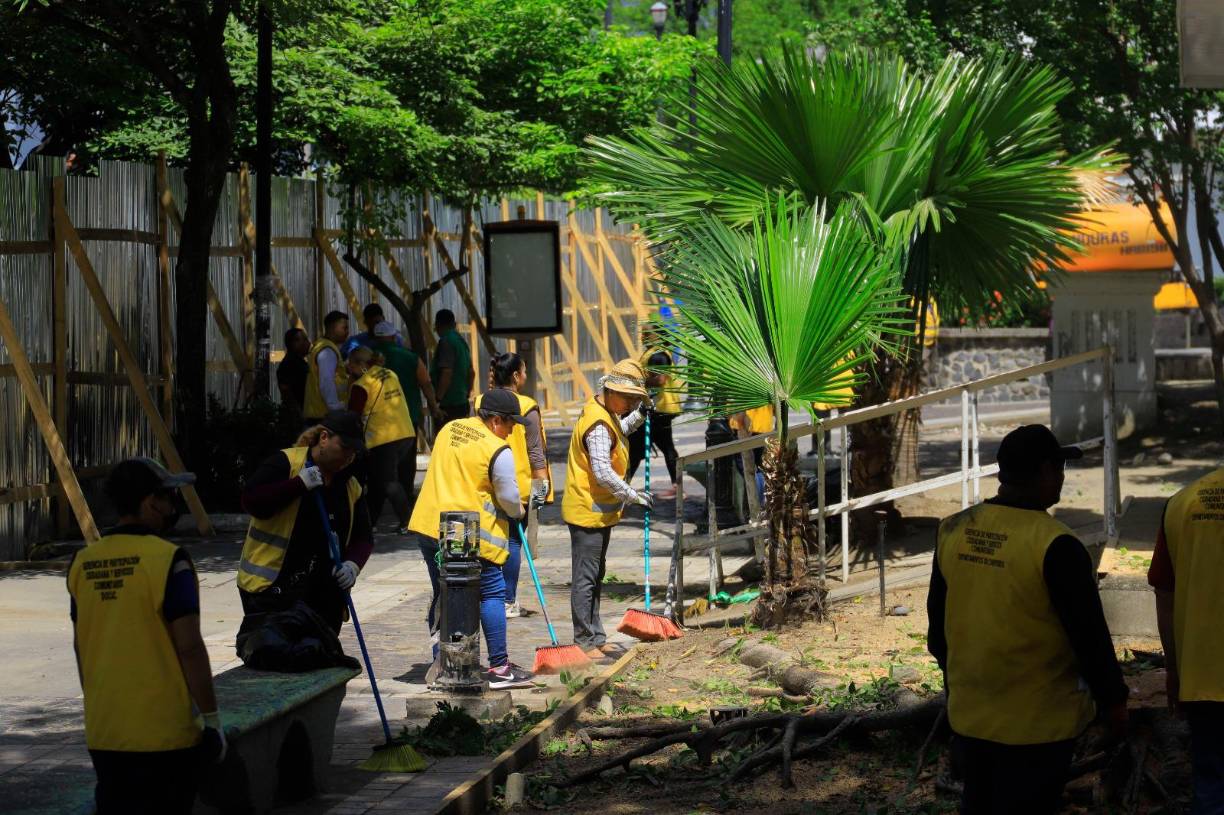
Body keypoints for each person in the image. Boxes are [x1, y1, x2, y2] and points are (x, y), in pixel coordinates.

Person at [926, 424, 1128, 815]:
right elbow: (1089, 637)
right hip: (1037, 728)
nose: (1062, 480)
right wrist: (1113, 701)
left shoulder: (953, 530)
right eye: (1060, 470)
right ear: (1046, 472)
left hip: (971, 718)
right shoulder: (1056, 544)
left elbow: (939, 633)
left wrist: (959, 691)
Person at [67, 458, 224, 814]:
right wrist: (212, 719)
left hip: (106, 732)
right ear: (150, 502)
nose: (172, 508)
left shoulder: (82, 562)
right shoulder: (170, 561)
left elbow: (80, 647)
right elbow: (189, 646)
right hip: (165, 735)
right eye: (168, 498)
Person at [406, 388, 534, 689]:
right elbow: (509, 497)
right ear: (495, 421)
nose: (513, 429)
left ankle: (445, 664)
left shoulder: (450, 429)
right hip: (466, 532)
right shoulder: (497, 450)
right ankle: (500, 669)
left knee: (444, 593)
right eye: (510, 423)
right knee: (491, 593)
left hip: (429, 525)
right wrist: (519, 511)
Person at [238, 411, 372, 633]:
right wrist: (297, 485)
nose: (348, 456)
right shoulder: (286, 464)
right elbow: (251, 501)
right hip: (272, 589)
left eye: (353, 452)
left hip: (324, 593)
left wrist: (353, 565)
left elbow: (363, 537)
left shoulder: (350, 486)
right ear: (324, 438)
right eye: (344, 447)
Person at [562, 359, 651, 661]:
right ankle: (585, 641)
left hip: (597, 512)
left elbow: (619, 432)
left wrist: (637, 417)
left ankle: (596, 636)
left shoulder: (606, 415)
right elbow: (602, 471)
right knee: (586, 577)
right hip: (587, 512)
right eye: (629, 398)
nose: (630, 404)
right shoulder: (598, 423)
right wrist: (632, 496)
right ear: (612, 391)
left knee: (595, 574)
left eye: (635, 400)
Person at [1150, 467, 1224, 812]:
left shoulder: (1183, 501)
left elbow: (1165, 595)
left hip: (1202, 678)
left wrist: (1174, 668)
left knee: (1211, 787)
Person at [475, 353, 553, 619]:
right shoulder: (527, 406)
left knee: (488, 538)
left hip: (486, 482)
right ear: (517, 376)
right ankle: (507, 598)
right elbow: (535, 452)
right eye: (525, 371)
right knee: (513, 542)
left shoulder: (479, 403)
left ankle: (491, 595)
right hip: (518, 486)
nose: (526, 376)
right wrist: (541, 488)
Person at [370, 319, 443, 500]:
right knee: (406, 460)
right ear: (394, 337)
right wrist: (434, 407)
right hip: (407, 416)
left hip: (376, 419)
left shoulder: (368, 358)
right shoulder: (410, 357)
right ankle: (406, 494)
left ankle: (379, 496)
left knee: (380, 460)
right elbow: (425, 383)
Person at [346, 346, 415, 532]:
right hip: (405, 432)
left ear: (361, 365)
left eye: (350, 363)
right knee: (378, 481)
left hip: (382, 437)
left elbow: (353, 416)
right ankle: (370, 522)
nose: (347, 367)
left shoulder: (361, 385)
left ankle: (408, 521)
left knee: (388, 482)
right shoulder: (390, 374)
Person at [626, 345, 683, 500]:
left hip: (658, 411)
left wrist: (638, 384)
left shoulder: (658, 354)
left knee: (637, 450)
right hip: (657, 409)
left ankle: (622, 489)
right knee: (664, 448)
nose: (643, 336)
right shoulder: (655, 352)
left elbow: (660, 379)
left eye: (646, 332)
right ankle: (677, 486)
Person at [303, 311, 351, 425]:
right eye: (344, 328)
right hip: (325, 415)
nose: (347, 332)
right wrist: (336, 408)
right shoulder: (327, 351)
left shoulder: (321, 345)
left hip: (319, 413)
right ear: (333, 328)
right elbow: (326, 381)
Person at [431, 308, 474, 428]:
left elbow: (446, 373)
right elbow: (471, 372)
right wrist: (466, 394)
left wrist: (437, 399)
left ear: (438, 325)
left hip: (448, 404)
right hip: (462, 403)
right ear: (454, 324)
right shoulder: (462, 342)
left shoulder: (446, 342)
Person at [277, 327, 311, 423]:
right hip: (295, 417)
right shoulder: (289, 364)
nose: (307, 343)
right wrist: (298, 413)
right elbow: (285, 390)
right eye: (303, 339)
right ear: (293, 343)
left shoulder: (300, 362)